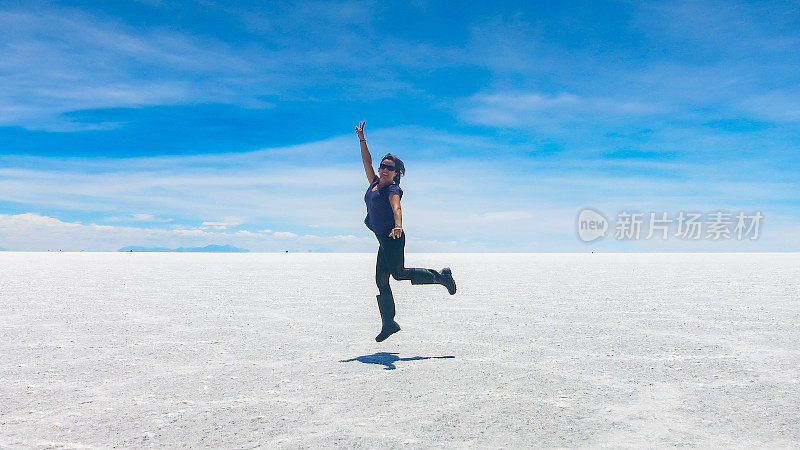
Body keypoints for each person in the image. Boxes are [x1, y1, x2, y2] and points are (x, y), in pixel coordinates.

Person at [356, 121, 457, 342]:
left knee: (398, 273)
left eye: (389, 168)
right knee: (381, 281)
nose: (384, 169)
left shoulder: (393, 189)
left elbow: (397, 207)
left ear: (396, 173)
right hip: (382, 239)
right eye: (383, 165)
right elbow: (366, 161)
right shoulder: (374, 183)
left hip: (393, 237)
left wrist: (398, 225)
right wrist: (362, 139)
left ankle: (441, 277)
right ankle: (389, 323)